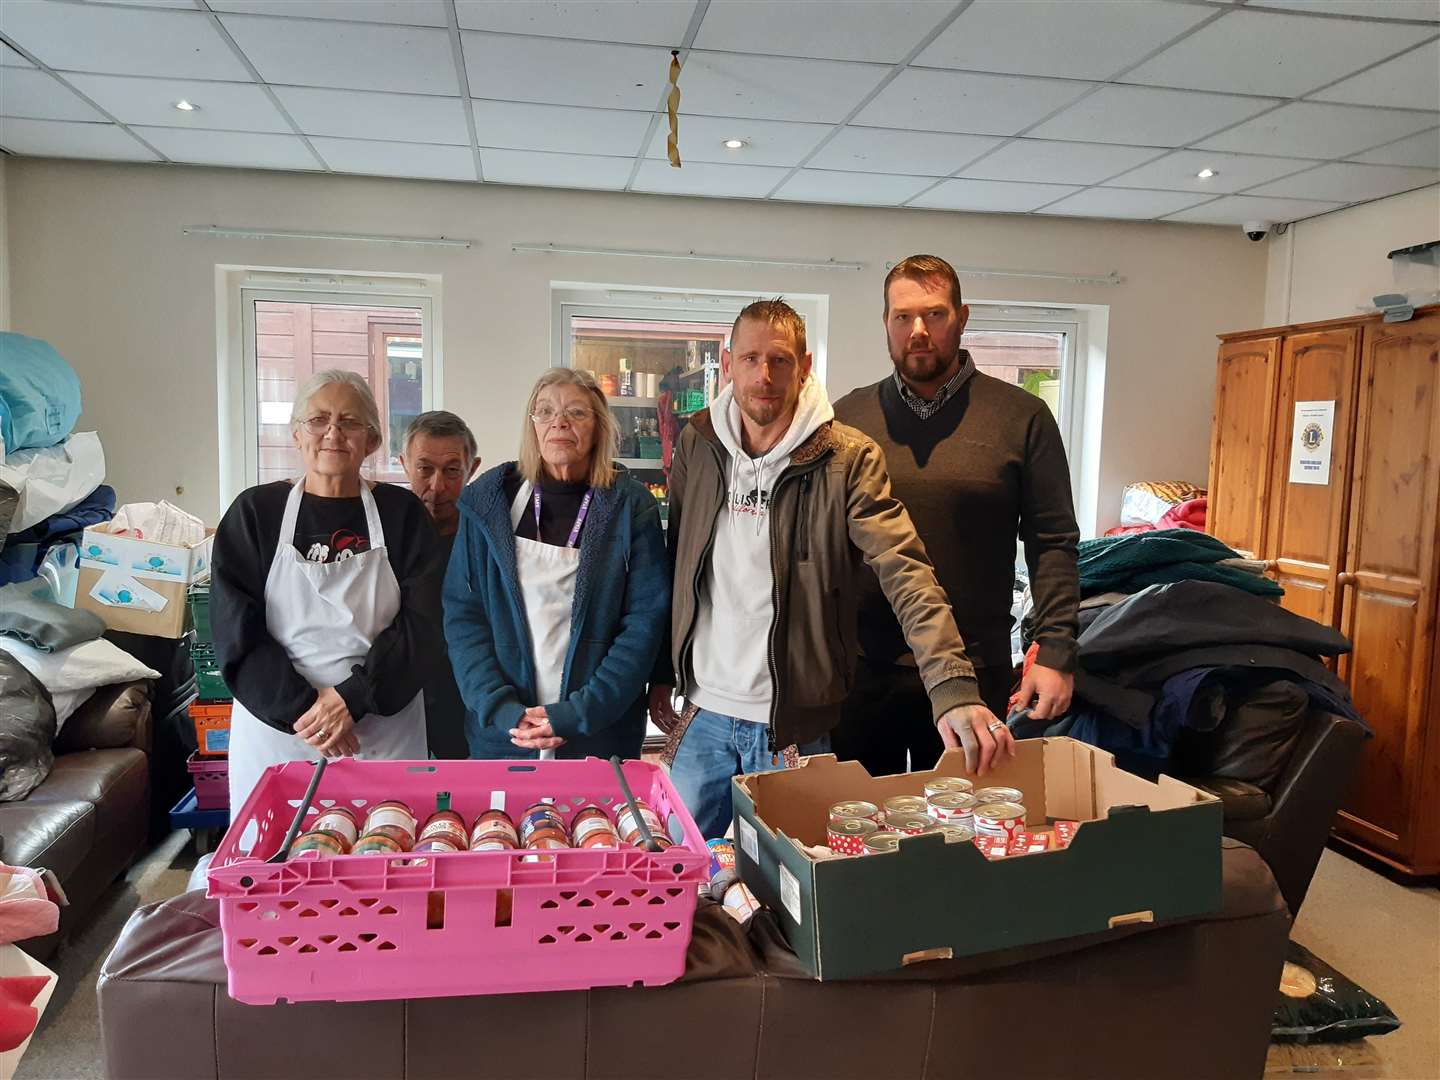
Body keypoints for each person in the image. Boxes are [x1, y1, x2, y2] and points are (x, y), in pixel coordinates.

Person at [650, 298, 1013, 840]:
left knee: (793, 885)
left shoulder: (846, 457)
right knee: (685, 879)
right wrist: (662, 669)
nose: (764, 376)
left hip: (793, 727)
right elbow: (678, 564)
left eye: (779, 360)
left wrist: (952, 686)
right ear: (727, 364)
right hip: (702, 715)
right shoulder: (699, 445)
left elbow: (904, 569)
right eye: (749, 359)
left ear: (806, 365)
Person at [831, 254, 1080, 777]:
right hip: (860, 672)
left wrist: (1056, 650)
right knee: (855, 838)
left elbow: (1053, 541)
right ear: (886, 324)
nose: (918, 331)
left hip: (973, 669)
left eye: (934, 314)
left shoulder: (1023, 417)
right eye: (903, 317)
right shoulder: (847, 419)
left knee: (959, 836)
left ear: (961, 317)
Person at [212, 369, 442, 809]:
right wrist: (307, 711)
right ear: (297, 435)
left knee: (384, 855)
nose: (333, 432)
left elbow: (425, 623)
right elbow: (235, 629)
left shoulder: (403, 515)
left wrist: (352, 699)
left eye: (350, 421)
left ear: (371, 440)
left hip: (379, 722)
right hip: (279, 727)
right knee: (275, 864)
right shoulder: (255, 512)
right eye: (318, 420)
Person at [443, 369, 670, 760]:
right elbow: (464, 616)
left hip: (599, 731)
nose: (559, 422)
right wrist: (501, 709)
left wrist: (582, 712)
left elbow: (644, 623)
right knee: (501, 821)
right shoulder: (487, 503)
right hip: (506, 734)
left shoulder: (630, 507)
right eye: (545, 411)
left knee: (595, 822)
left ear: (598, 427)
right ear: (531, 426)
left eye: (576, 413)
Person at [400, 410, 481, 759]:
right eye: (424, 469)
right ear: (404, 464)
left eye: (451, 471)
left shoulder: (485, 539)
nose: (437, 486)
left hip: (467, 697)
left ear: (472, 468)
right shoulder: (387, 535)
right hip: (398, 695)